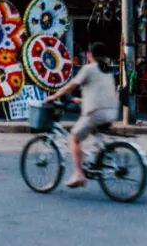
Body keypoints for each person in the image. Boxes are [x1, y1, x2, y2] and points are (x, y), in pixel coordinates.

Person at [44, 42, 120, 188]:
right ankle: (96, 160)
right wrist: (82, 100)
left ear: (90, 55)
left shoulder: (88, 69)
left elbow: (71, 85)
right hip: (111, 112)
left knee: (73, 137)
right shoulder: (108, 71)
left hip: (96, 113)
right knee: (96, 139)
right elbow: (102, 93)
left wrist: (54, 96)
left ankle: (78, 174)